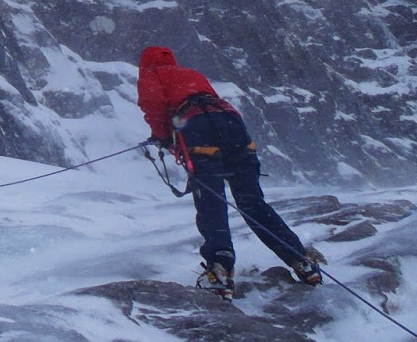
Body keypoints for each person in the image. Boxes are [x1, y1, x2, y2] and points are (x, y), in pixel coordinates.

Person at [137, 45, 323, 297]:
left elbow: (154, 107)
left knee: (211, 198)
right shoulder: (191, 74)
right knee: (252, 202)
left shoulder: (152, 76)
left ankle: (220, 267)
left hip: (198, 125)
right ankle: (300, 258)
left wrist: (163, 138)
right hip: (232, 123)